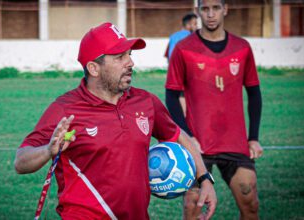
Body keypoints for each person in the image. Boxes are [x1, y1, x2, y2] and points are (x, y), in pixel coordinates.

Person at [15, 22, 216, 219]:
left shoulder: (145, 102)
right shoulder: (65, 109)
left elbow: (179, 136)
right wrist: (47, 150)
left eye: (130, 55)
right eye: (120, 57)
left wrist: (205, 178)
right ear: (94, 68)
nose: (130, 63)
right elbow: (21, 161)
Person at [165, 0, 263, 219]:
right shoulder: (183, 48)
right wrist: (188, 137)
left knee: (250, 203)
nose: (210, 14)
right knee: (193, 208)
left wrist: (253, 137)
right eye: (205, 9)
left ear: (225, 9)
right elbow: (171, 96)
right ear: (198, 11)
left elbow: (254, 93)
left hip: (235, 142)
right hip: (198, 145)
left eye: (216, 8)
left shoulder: (242, 47)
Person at [164, 13, 198, 117]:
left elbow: (168, 55)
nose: (197, 26)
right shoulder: (192, 36)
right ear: (189, 24)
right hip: (187, 72)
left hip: (173, 73)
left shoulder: (173, 36)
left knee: (178, 97)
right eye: (195, 24)